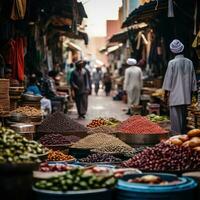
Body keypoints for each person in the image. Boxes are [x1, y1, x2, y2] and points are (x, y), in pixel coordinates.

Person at [162, 39, 197, 134]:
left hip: (175, 96)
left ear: (172, 51)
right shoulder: (189, 62)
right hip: (186, 96)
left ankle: (176, 136)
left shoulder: (172, 63)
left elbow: (168, 80)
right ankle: (182, 135)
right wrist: (193, 92)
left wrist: (165, 94)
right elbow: (193, 79)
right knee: (184, 118)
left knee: (175, 120)